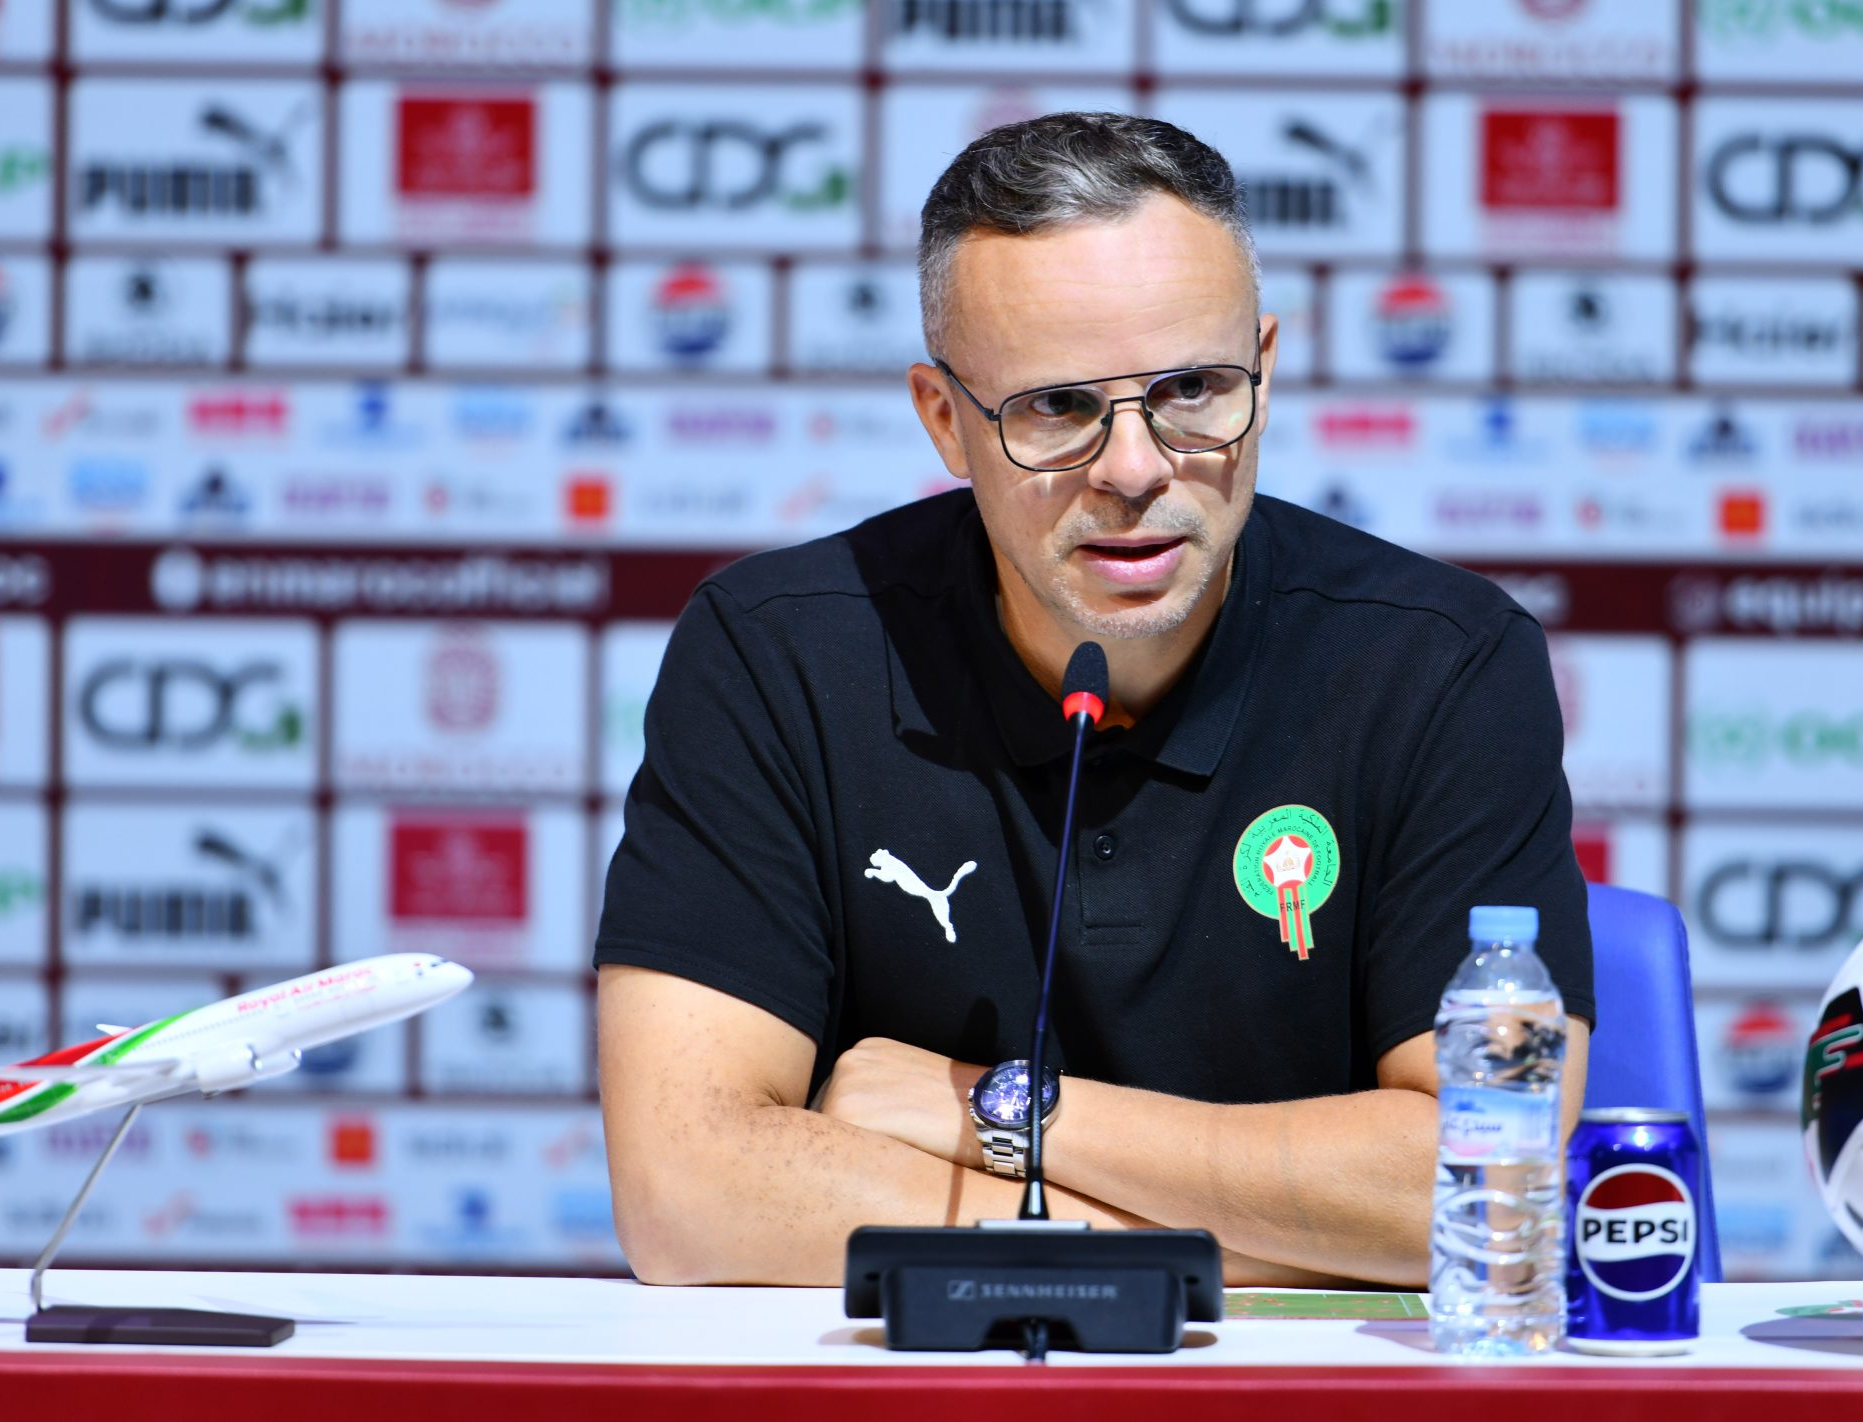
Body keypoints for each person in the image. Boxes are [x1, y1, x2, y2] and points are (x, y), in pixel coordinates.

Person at [595, 113, 1593, 1288]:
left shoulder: (1443, 663)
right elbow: (686, 1191)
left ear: (1265, 372)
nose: (1134, 468)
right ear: (944, 420)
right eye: (1057, 408)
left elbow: (1488, 1185)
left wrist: (1009, 1113)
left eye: (1193, 388)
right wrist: (1222, 1248)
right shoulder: (775, 654)